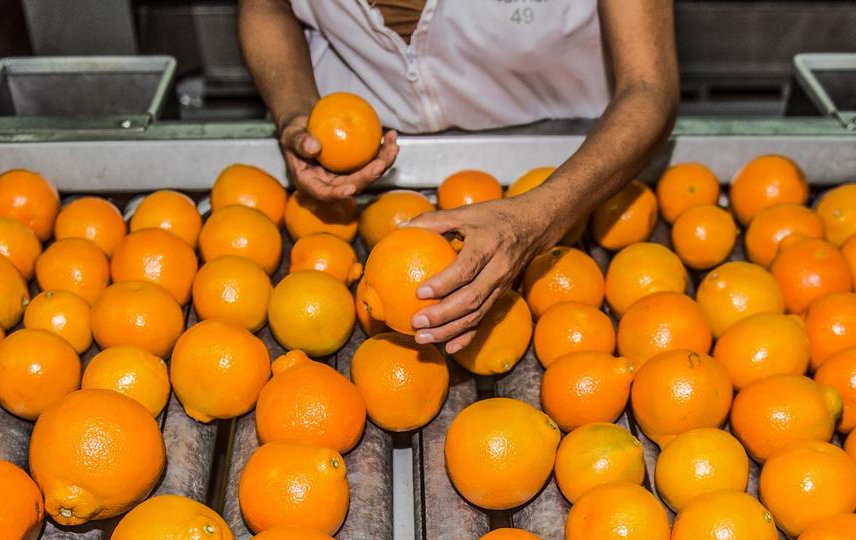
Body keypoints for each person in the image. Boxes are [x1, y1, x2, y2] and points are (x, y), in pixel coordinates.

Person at [239, 0, 678, 352]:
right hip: (361, 170)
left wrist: (539, 218)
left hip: (576, 170)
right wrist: (297, 112)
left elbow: (648, 86)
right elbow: (266, 8)